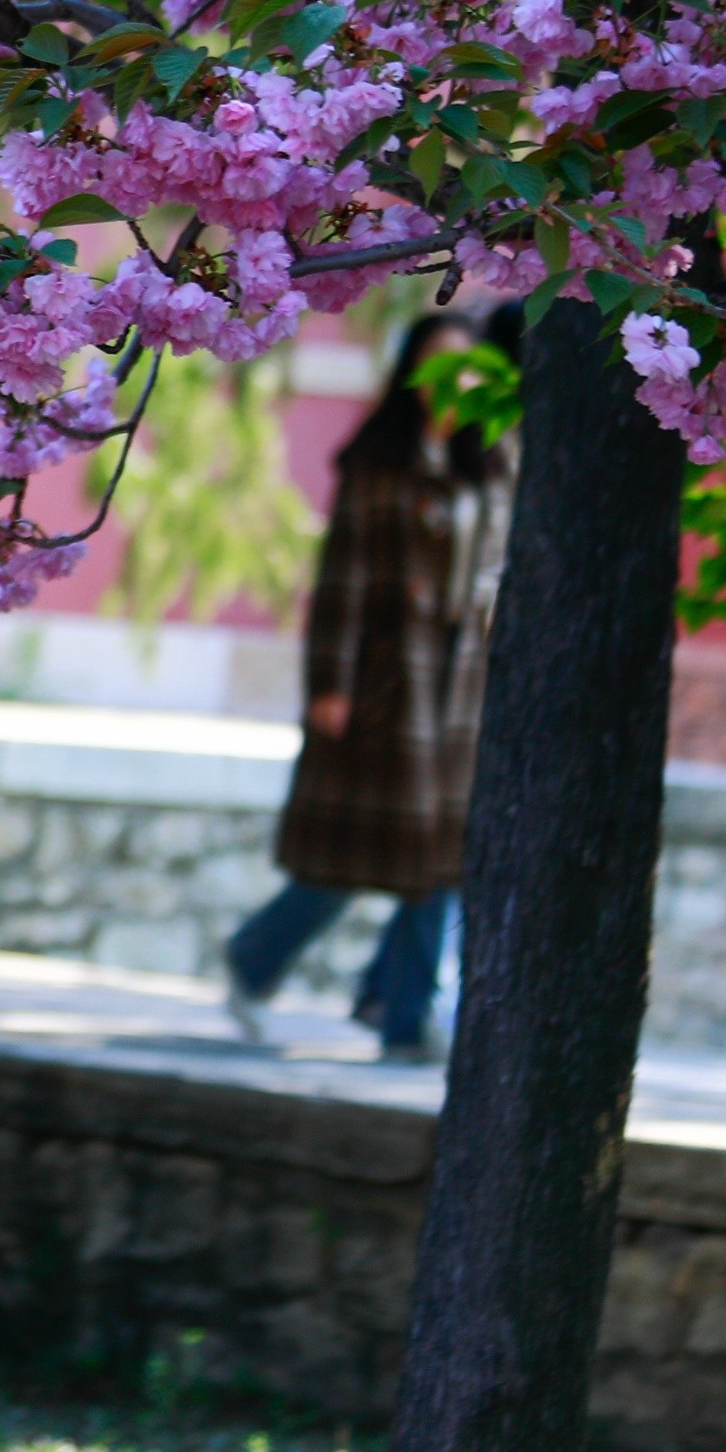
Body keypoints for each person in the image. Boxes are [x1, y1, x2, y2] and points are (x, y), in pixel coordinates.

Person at [224, 313, 515, 1063]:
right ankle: (254, 958)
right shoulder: (379, 460)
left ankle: (401, 1020)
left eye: (466, 366)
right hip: (387, 683)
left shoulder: (491, 459)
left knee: (441, 860)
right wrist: (329, 681)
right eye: (437, 364)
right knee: (347, 856)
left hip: (458, 695)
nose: (452, 382)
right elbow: (340, 580)